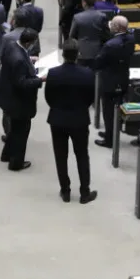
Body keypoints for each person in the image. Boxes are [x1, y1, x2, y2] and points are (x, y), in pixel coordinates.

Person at [45, 40, 97, 204]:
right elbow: (91, 98)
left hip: (58, 119)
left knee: (61, 156)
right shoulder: (88, 74)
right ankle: (84, 193)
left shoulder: (53, 73)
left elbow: (49, 97)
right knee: (82, 155)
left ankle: (65, 191)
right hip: (80, 119)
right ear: (78, 55)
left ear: (63, 54)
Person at [0, 29, 44, 171]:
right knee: (21, 132)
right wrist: (40, 80)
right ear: (29, 42)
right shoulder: (18, 60)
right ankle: (16, 163)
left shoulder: (12, 45)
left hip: (8, 96)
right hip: (18, 101)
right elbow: (22, 83)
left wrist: (28, 60)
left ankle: (7, 154)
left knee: (14, 129)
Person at [94, 16, 133, 148]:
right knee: (116, 109)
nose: (109, 26)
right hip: (123, 79)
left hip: (109, 82)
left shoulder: (110, 45)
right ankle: (110, 132)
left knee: (108, 112)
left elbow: (98, 62)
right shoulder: (131, 39)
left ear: (116, 28)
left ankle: (109, 140)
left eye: (112, 24)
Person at [70, 0, 111, 67]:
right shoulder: (102, 16)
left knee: (82, 74)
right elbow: (107, 35)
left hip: (81, 51)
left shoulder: (77, 17)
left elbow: (72, 36)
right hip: (98, 50)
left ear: (84, 3)